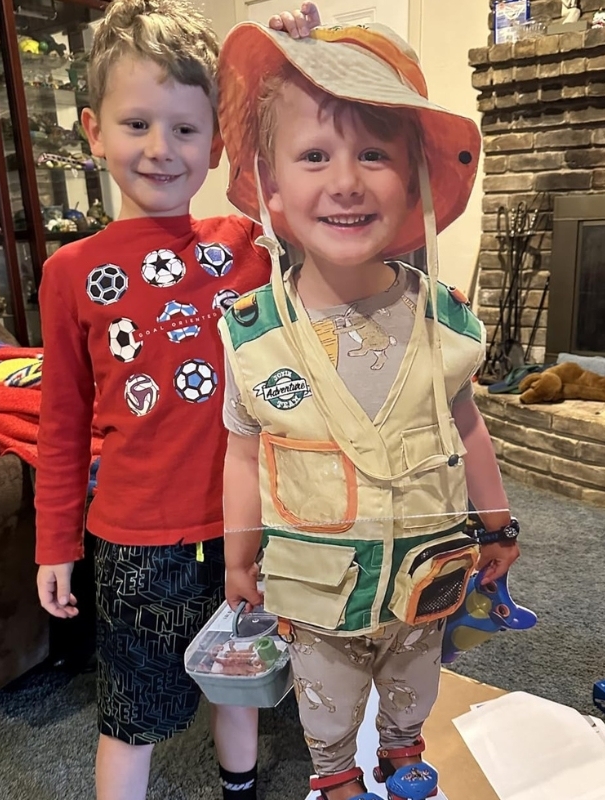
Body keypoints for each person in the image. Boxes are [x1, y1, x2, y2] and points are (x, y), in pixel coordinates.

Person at [216, 21, 521, 800]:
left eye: (374, 155)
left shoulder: (447, 323)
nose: (346, 180)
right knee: (325, 704)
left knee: (416, 685)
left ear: (415, 179)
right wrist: (239, 557)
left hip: (426, 579)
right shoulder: (254, 335)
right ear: (272, 183)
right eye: (315, 154)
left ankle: (399, 752)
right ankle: (335, 776)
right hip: (316, 593)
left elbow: (467, 425)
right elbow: (243, 453)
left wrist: (497, 524)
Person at [33, 3, 321, 800]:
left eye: (186, 130)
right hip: (134, 547)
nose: (161, 149)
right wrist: (54, 542)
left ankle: (240, 792)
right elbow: (60, 425)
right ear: (93, 130)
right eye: (136, 124)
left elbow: (313, 176)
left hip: (248, 527)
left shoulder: (244, 246)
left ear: (217, 142)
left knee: (243, 682)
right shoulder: (70, 274)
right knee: (131, 716)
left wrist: (282, 62)